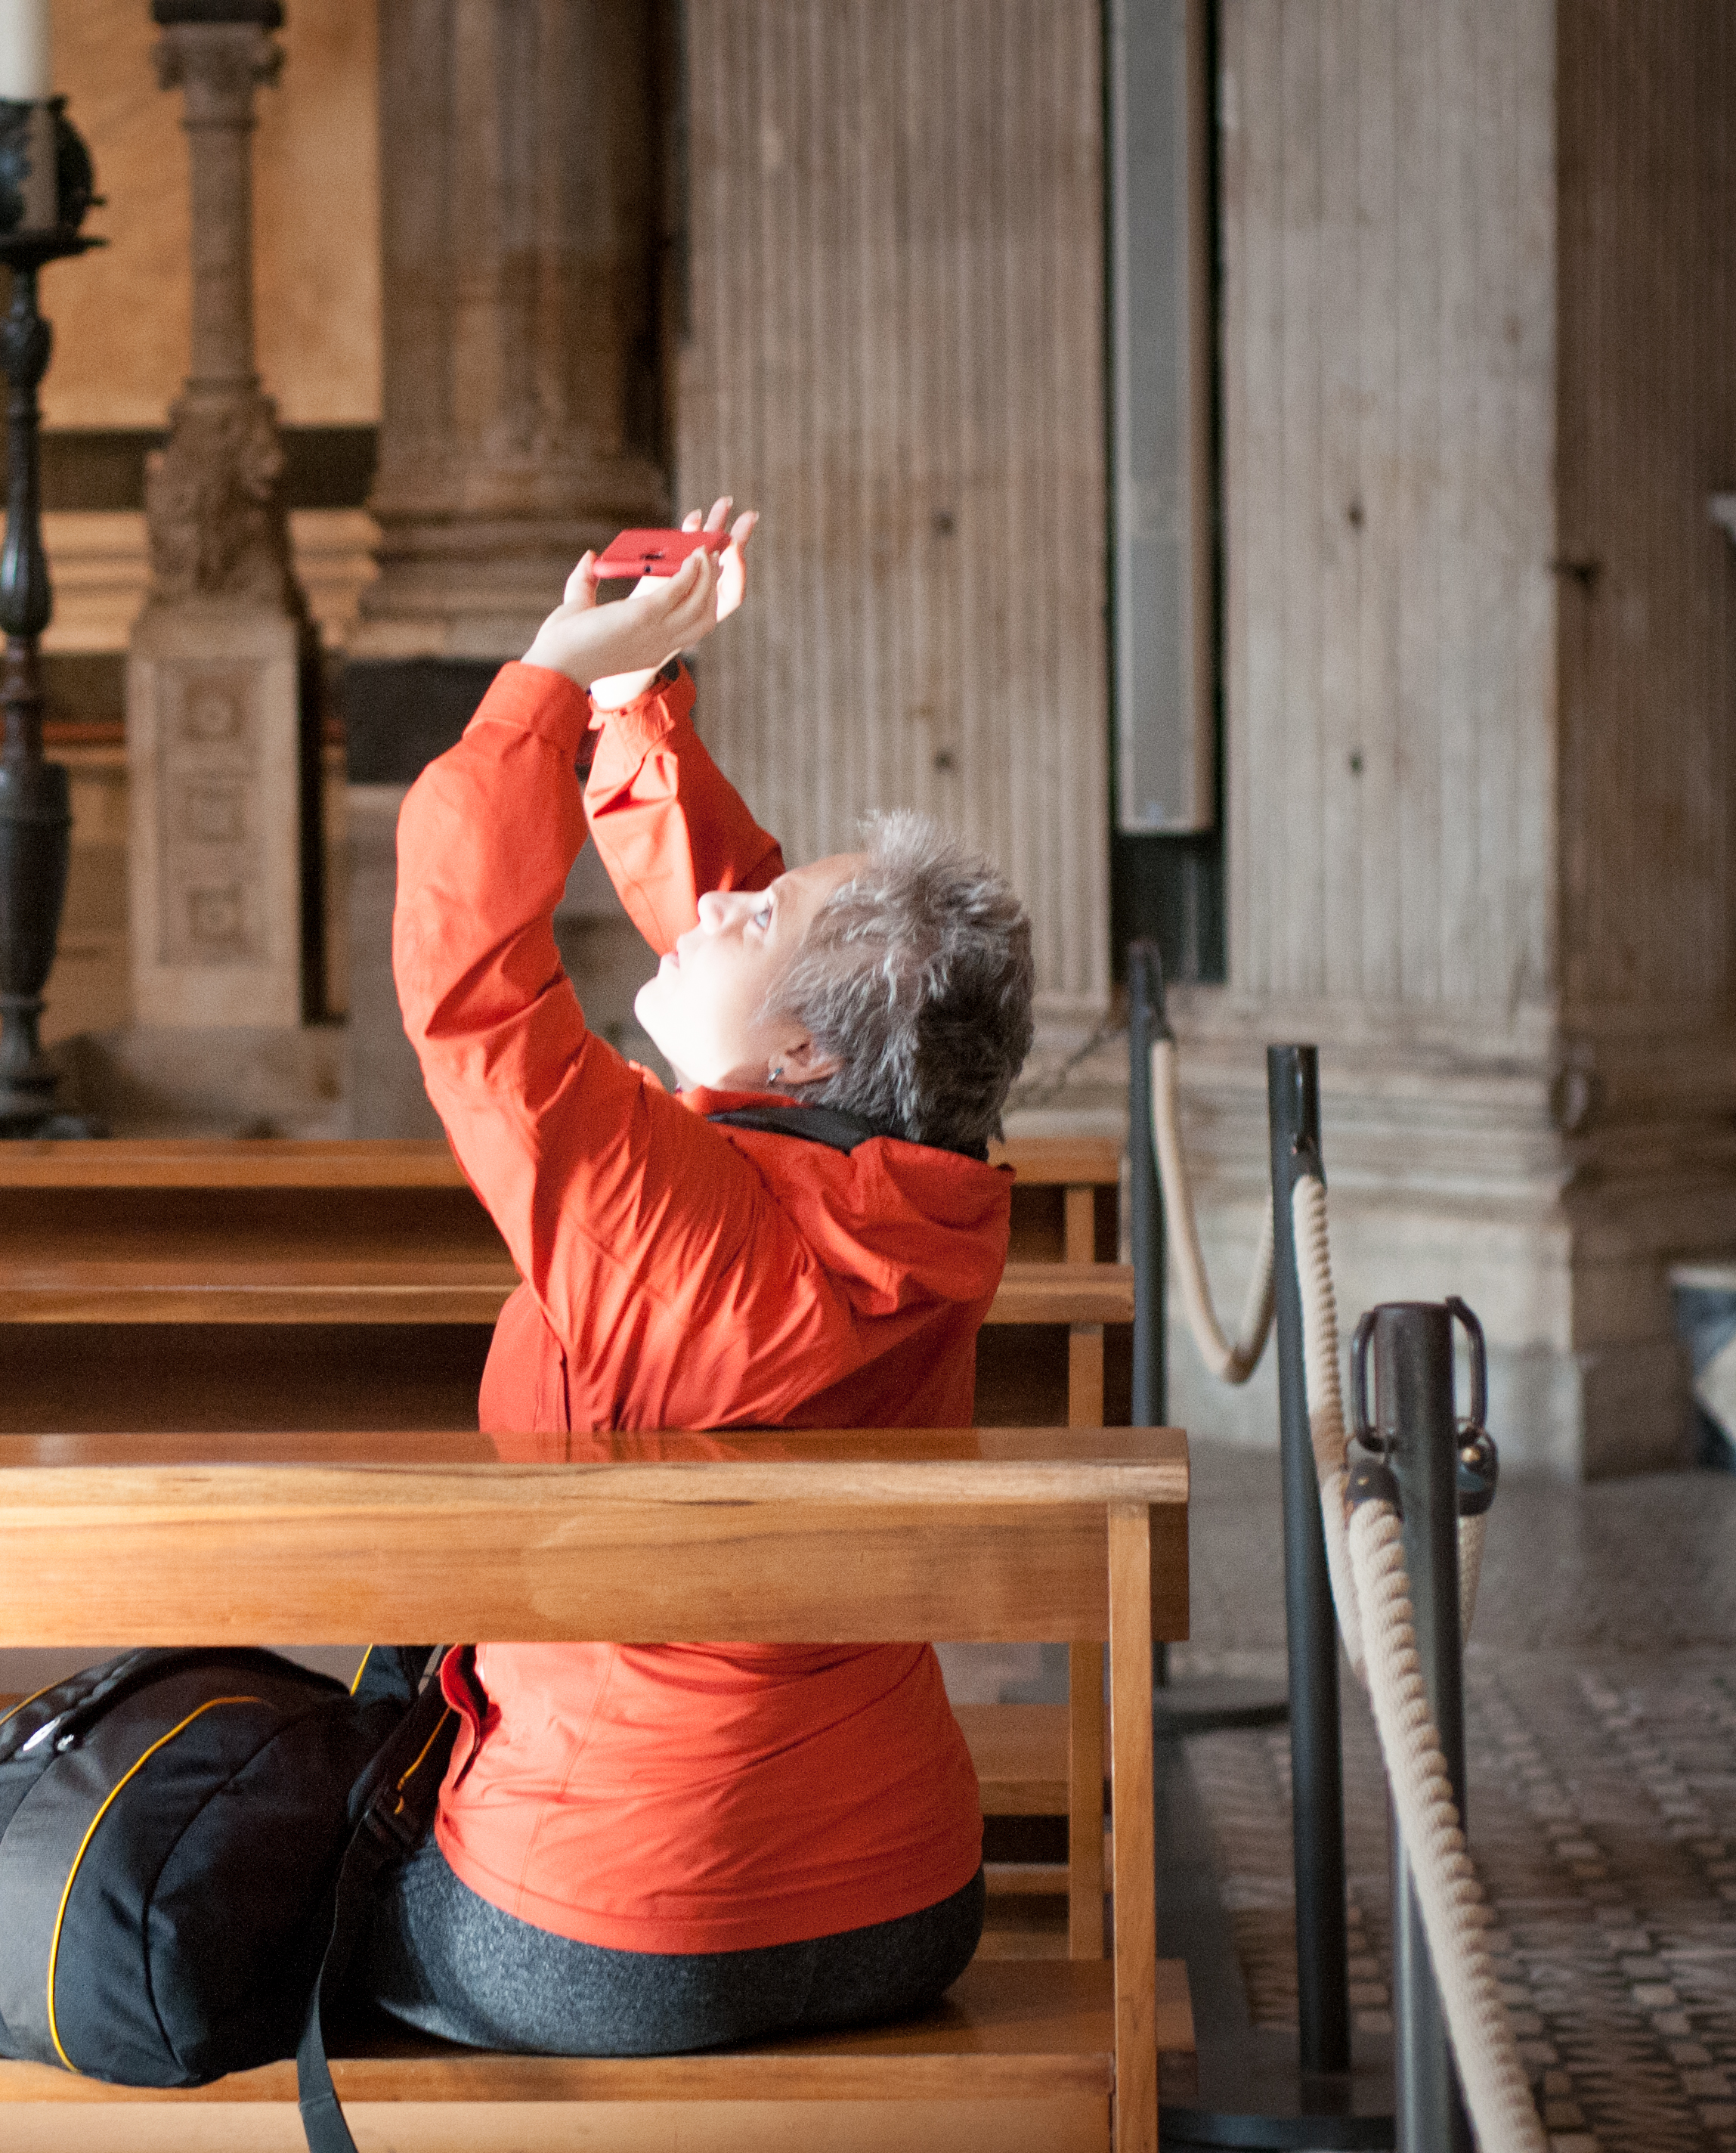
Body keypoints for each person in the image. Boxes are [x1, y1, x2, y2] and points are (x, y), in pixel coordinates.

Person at [364, 500, 1038, 2056]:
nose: (732, 892)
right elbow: (736, 929)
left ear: (799, 1049)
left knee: (272, 1900)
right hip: (907, 1891)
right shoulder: (911, 1190)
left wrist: (541, 675)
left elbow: (468, 981)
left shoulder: (690, 1227)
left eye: (768, 909)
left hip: (620, 1922)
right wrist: (632, 691)